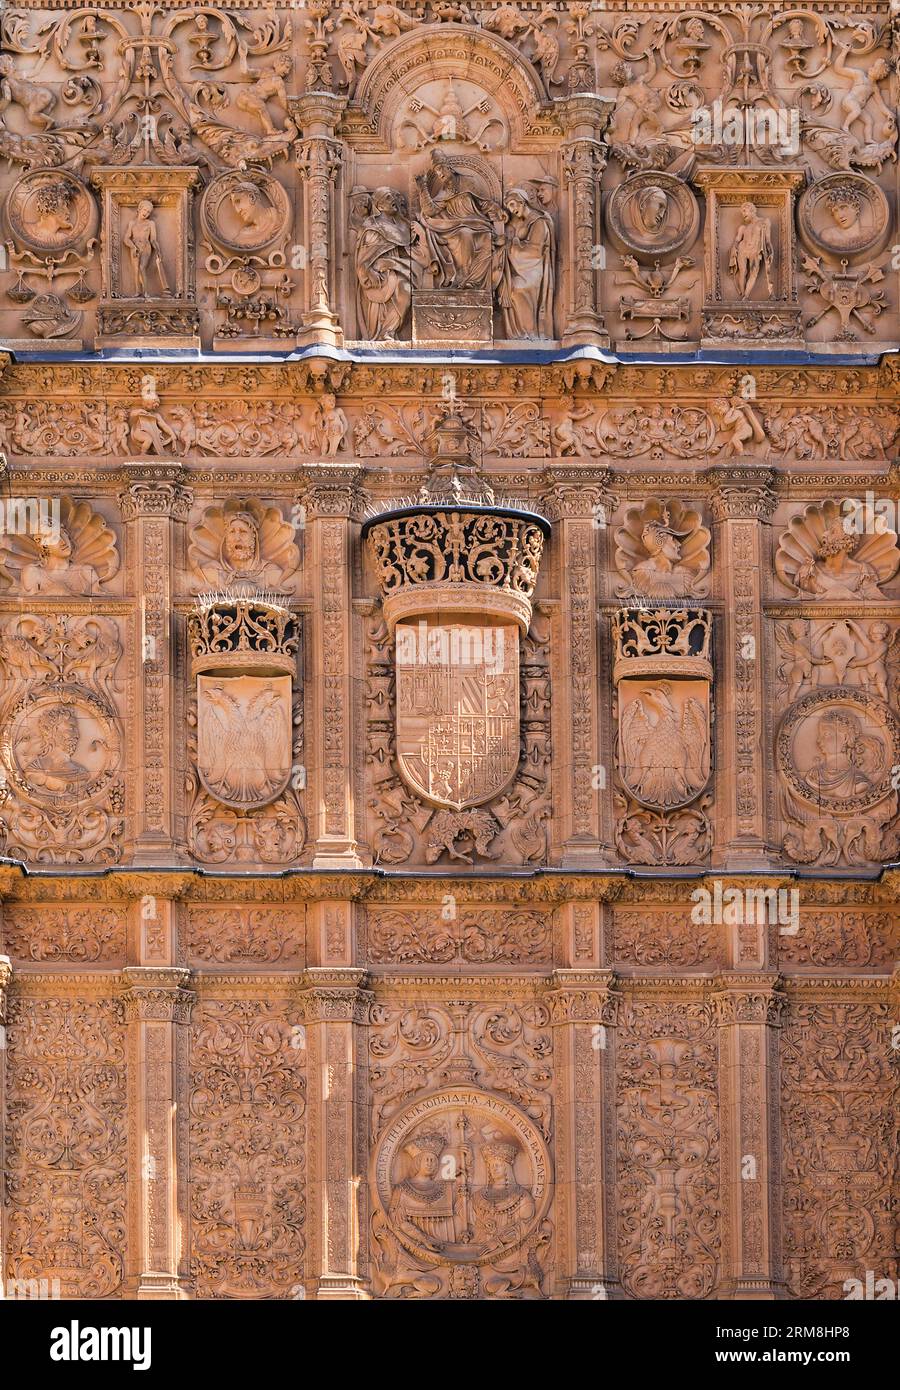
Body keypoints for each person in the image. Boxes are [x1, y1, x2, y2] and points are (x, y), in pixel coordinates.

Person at [497, 186, 554, 339]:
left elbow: (534, 252)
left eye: (512, 204)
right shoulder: (523, 223)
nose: (511, 210)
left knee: (517, 288)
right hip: (524, 269)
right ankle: (521, 333)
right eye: (508, 207)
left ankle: (529, 333)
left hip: (532, 270)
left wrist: (510, 246)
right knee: (509, 288)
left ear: (522, 202)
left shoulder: (538, 221)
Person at [124, 200, 169, 296]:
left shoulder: (151, 223)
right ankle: (137, 292)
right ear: (140, 209)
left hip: (146, 247)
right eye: (145, 210)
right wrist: (133, 247)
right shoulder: (132, 223)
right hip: (134, 247)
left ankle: (146, 292)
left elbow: (153, 240)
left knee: (142, 267)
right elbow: (126, 238)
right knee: (136, 269)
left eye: (148, 212)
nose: (146, 213)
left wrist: (158, 251)